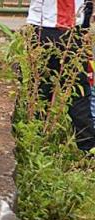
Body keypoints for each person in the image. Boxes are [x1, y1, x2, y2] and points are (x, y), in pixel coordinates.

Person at [28, 0, 95, 152]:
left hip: (42, 30)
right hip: (71, 32)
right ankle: (88, 150)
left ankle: (36, 147)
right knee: (78, 96)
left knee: (39, 94)